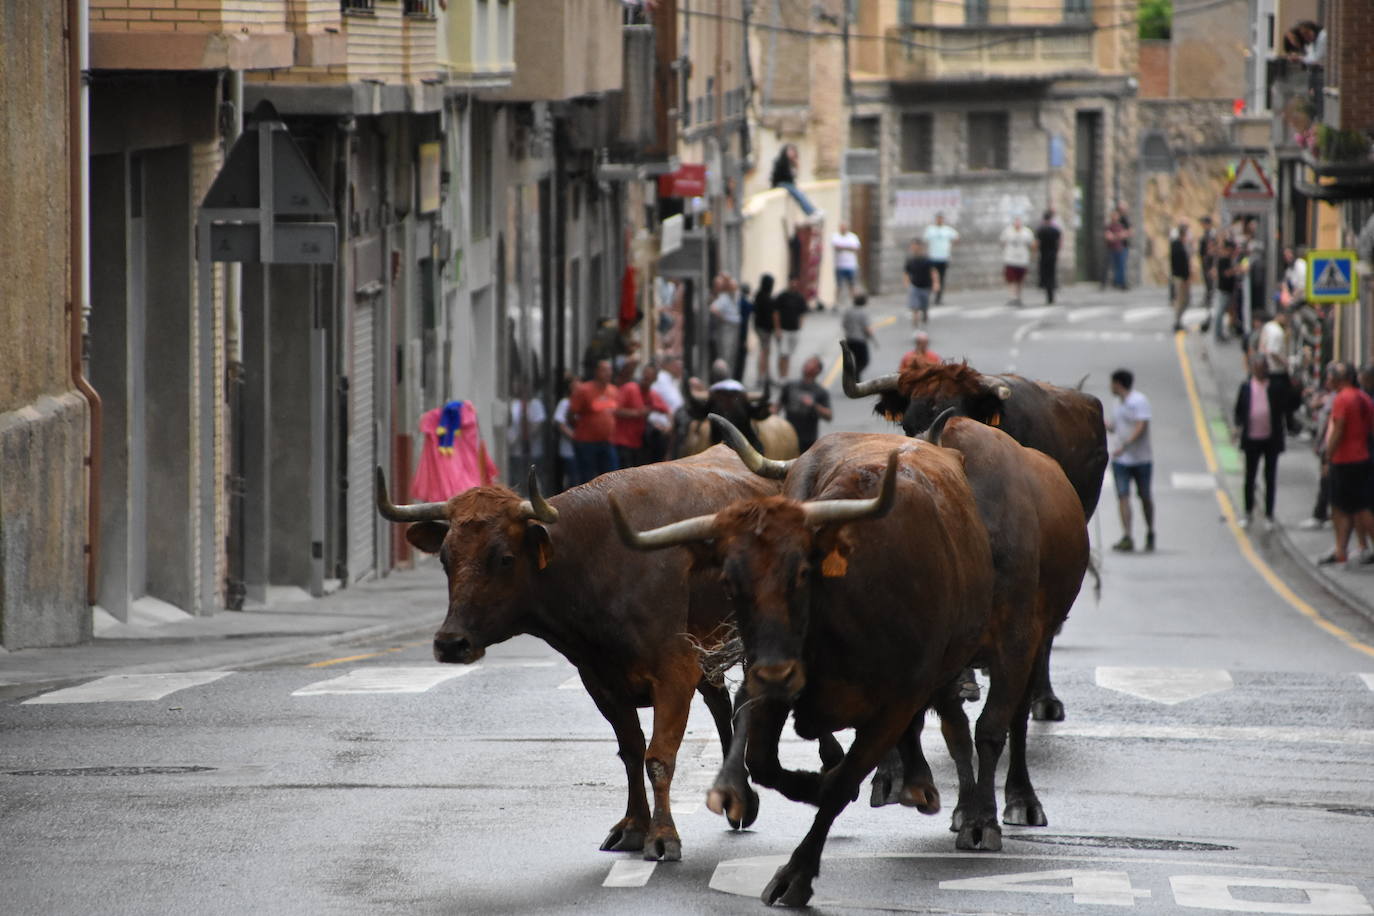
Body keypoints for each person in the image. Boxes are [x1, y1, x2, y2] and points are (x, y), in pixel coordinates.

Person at [1319, 362, 1374, 565]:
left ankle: (1341, 549)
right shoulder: (1364, 398)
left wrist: (1328, 456)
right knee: (1360, 505)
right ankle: (1342, 549)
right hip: (1363, 457)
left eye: (1331, 376)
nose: (1328, 380)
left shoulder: (1342, 399)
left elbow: (1339, 429)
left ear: (1341, 379)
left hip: (1344, 459)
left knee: (1342, 507)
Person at [1233, 356, 1286, 530]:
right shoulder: (1246, 387)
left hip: (1271, 439)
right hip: (1251, 439)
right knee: (1250, 477)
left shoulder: (1275, 388)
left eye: (1263, 368)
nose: (1260, 371)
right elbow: (1239, 410)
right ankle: (1248, 512)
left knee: (1270, 478)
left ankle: (1269, 515)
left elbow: (1286, 407)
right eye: (1256, 367)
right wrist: (1238, 428)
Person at [1106, 368, 1154, 552]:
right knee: (1123, 496)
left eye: (1112, 383)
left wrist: (1125, 445)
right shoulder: (1117, 403)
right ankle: (1127, 535)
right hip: (1121, 460)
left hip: (1141, 459)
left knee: (1145, 497)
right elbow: (1115, 427)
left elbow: (1141, 427)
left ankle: (1150, 530)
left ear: (1118, 383)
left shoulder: (1139, 401)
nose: (1110, 387)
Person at [569, 359, 620, 481]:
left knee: (611, 478)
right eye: (604, 370)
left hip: (607, 442)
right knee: (587, 479)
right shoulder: (584, 390)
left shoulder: (613, 390)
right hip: (587, 443)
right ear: (596, 372)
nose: (608, 373)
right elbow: (571, 414)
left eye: (609, 370)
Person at [779, 355, 833, 452]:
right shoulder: (790, 386)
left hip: (808, 441)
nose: (807, 364)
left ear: (817, 370)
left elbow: (829, 416)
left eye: (811, 363)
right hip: (788, 438)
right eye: (807, 362)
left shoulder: (820, 392)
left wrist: (814, 405)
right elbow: (776, 407)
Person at [612, 356, 649, 468]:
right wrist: (637, 413)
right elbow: (616, 410)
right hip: (624, 442)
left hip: (635, 441)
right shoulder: (628, 387)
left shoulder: (637, 387)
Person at [508, 383, 547, 487]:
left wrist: (526, 437)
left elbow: (538, 425)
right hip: (515, 448)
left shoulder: (536, 404)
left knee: (534, 477)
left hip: (533, 449)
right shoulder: (513, 403)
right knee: (516, 476)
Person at [772, 274, 809, 380]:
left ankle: (785, 375)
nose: (793, 284)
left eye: (795, 282)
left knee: (788, 354)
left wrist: (800, 325)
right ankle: (782, 375)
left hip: (794, 330)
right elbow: (776, 313)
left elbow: (803, 312)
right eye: (791, 281)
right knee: (783, 353)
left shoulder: (799, 297)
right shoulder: (782, 296)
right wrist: (777, 328)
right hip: (783, 329)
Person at [770, 143, 818, 218]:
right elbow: (787, 177)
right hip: (780, 183)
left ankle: (812, 210)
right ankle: (810, 212)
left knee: (800, 193)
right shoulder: (781, 162)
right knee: (796, 192)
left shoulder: (791, 163)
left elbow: (793, 178)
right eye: (790, 151)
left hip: (787, 183)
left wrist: (797, 166)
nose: (791, 153)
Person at [922, 212, 959, 304]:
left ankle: (938, 298)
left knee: (941, 279)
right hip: (933, 258)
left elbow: (956, 237)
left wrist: (949, 247)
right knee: (931, 278)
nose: (940, 220)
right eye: (938, 218)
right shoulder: (930, 229)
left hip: (943, 257)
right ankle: (927, 296)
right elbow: (924, 240)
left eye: (941, 218)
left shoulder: (947, 230)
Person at [708, 272, 741, 373]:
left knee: (731, 354)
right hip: (727, 327)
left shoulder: (734, 296)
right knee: (726, 354)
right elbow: (713, 308)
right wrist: (723, 318)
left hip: (732, 326)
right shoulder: (724, 298)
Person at [551, 373, 579, 490]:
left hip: (581, 450)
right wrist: (575, 438)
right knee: (573, 479)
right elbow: (559, 423)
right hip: (569, 450)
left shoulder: (582, 403)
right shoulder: (565, 403)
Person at [1000, 215, 1035, 307]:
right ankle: (1012, 297)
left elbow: (1032, 244)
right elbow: (1002, 242)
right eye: (1016, 222)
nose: (1017, 224)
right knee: (1011, 280)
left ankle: (1018, 297)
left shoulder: (1027, 232)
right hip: (1010, 259)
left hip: (1022, 260)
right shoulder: (1008, 231)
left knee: (1020, 280)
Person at [842, 292, 878, 381]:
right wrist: (873, 338)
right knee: (864, 361)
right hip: (860, 341)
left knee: (854, 359)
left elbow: (844, 324)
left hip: (849, 339)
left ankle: (856, 378)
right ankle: (855, 375)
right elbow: (867, 328)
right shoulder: (863, 312)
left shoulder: (848, 311)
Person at [751, 273, 779, 385]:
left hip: (761, 327)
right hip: (764, 328)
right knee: (764, 352)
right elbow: (770, 314)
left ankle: (765, 375)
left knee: (765, 352)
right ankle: (762, 376)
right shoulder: (765, 297)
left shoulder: (759, 295)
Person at [904, 239, 938, 326]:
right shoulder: (910, 260)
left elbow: (933, 271)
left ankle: (925, 314)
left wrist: (936, 283)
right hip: (914, 285)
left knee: (924, 305)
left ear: (920, 247)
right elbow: (906, 272)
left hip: (926, 286)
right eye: (912, 246)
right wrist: (907, 283)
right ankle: (915, 324)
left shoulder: (926, 259)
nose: (913, 248)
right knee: (914, 306)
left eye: (915, 246)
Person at [831, 221, 861, 308]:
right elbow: (836, 246)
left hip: (851, 265)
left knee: (852, 285)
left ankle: (855, 303)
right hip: (840, 265)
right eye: (842, 227)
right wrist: (848, 247)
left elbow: (855, 248)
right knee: (839, 285)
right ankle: (836, 303)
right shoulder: (835, 236)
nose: (843, 229)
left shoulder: (852, 237)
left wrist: (843, 247)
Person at [1035, 209, 1062, 304]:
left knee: (1045, 275)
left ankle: (1047, 292)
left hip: (1043, 254)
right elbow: (1059, 242)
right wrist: (1057, 251)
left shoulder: (1040, 230)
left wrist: (1035, 253)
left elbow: (1037, 243)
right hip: (1052, 255)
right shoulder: (1055, 230)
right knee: (1051, 274)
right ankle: (1051, 294)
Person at [1170, 221, 1192, 332]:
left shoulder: (1184, 245)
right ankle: (1177, 321)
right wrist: (1185, 277)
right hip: (1180, 277)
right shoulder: (1177, 245)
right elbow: (1179, 263)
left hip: (1183, 276)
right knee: (1181, 300)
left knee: (1186, 300)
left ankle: (1179, 320)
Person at [1104, 206, 1131, 290]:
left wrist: (1116, 236)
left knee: (1121, 266)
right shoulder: (1109, 226)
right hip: (1111, 248)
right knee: (1114, 266)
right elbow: (1108, 236)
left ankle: (1121, 283)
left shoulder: (1121, 224)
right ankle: (1114, 282)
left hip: (1120, 248)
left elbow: (1126, 233)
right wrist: (1117, 236)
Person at [1199, 215, 1219, 317]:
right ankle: (1208, 300)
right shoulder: (1205, 234)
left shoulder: (1213, 234)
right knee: (1207, 283)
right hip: (1206, 263)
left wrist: (1214, 266)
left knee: (1211, 284)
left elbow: (1214, 252)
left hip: (1210, 263)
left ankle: (1210, 301)